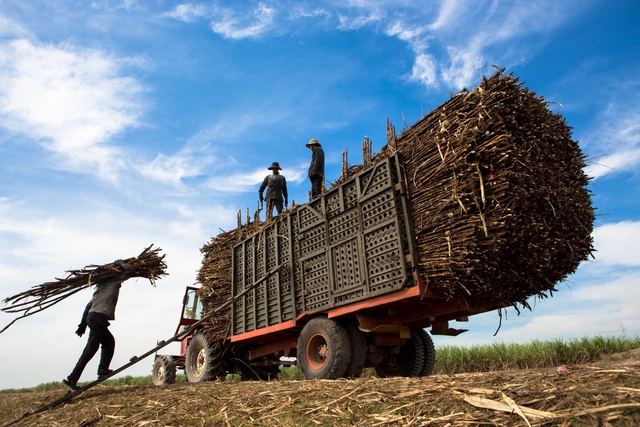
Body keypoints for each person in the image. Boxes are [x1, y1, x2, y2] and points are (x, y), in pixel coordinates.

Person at [63, 261, 136, 390]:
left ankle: (102, 370)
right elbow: (129, 272)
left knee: (108, 343)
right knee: (91, 349)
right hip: (98, 318)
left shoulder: (99, 287)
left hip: (93, 318)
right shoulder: (112, 281)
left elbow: (88, 306)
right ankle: (73, 377)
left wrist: (82, 324)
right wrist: (122, 263)